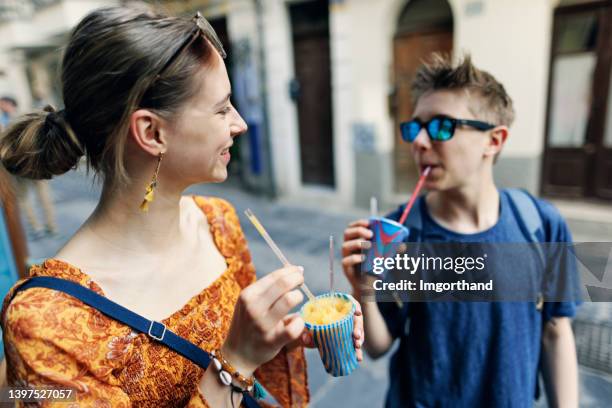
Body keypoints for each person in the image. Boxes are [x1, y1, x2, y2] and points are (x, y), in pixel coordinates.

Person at [0, 4, 363, 407]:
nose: (239, 123)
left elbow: (255, 378)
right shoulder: (44, 321)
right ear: (152, 131)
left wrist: (281, 333)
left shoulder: (218, 221)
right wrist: (234, 361)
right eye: (222, 108)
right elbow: (238, 362)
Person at [342, 54, 579, 407]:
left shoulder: (542, 224)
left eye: (441, 126)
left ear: (494, 141)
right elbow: (378, 347)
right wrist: (364, 289)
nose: (419, 142)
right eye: (415, 127)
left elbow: (556, 331)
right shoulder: (400, 233)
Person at [1, 95, 58, 237]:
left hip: (34, 164)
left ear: (9, 104)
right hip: (17, 167)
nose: (1, 107)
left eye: (2, 104)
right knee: (23, 199)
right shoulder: (3, 121)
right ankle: (36, 227)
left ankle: (51, 226)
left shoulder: (23, 117)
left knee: (43, 196)